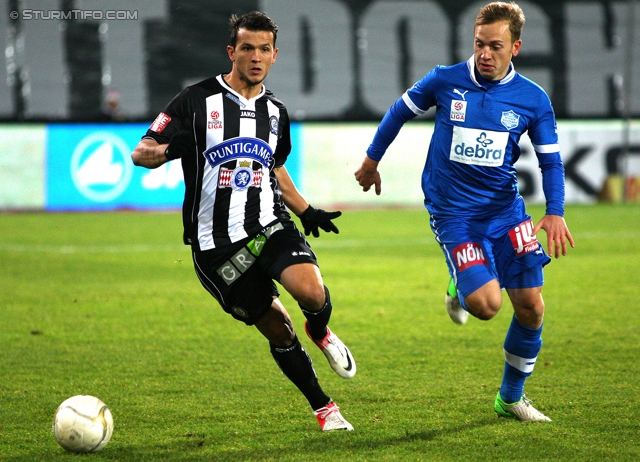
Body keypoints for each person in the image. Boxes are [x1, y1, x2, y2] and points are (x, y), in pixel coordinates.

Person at [132, 11, 356, 432]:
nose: (256, 56)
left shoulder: (276, 112)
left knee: (312, 292)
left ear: (275, 55)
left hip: (268, 223)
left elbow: (274, 167)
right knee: (277, 327)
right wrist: (169, 150)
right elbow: (140, 152)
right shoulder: (194, 100)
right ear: (231, 52)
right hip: (214, 245)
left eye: (264, 49)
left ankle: (322, 331)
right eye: (247, 48)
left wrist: (305, 210)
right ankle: (324, 408)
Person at [355, 1, 574, 422]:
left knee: (532, 307)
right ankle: (459, 283)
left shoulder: (532, 99)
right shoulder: (445, 81)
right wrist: (371, 160)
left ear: (516, 47)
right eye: (479, 44)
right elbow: (399, 112)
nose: (485, 54)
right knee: (487, 306)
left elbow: (550, 160)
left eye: (495, 46)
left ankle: (510, 399)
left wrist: (556, 209)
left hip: (506, 213)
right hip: (454, 213)